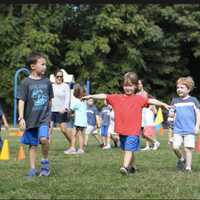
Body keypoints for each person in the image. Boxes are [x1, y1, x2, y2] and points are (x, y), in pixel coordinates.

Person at [82, 72, 170, 176]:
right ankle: (133, 166)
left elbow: (151, 100)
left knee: (128, 148)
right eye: (126, 85)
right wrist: (91, 96)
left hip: (133, 131)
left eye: (131, 85)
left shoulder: (139, 99)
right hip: (122, 130)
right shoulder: (117, 98)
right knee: (127, 149)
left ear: (135, 86)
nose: (128, 88)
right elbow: (104, 95)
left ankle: (124, 167)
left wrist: (163, 104)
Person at [18, 52, 54, 177]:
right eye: (42, 64)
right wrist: (21, 117)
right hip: (30, 119)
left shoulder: (47, 82)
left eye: (45, 64)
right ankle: (32, 169)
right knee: (33, 145)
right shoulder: (25, 83)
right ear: (33, 66)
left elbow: (50, 102)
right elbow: (21, 100)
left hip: (44, 119)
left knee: (43, 139)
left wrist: (50, 120)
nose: (45, 66)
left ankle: (45, 163)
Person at [170, 76, 200, 172]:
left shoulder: (193, 100)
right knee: (175, 147)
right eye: (178, 87)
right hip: (177, 130)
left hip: (190, 129)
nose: (179, 89)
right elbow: (171, 116)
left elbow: (198, 113)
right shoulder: (174, 101)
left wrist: (197, 126)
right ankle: (182, 159)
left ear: (189, 89)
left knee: (188, 148)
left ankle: (188, 168)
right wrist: (170, 132)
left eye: (182, 87)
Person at [49, 69, 72, 148]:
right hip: (51, 110)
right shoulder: (51, 86)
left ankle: (72, 143)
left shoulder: (65, 86)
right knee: (49, 130)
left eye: (61, 76)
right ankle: (46, 149)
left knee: (63, 130)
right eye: (57, 76)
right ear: (54, 77)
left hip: (61, 111)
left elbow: (67, 98)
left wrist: (65, 108)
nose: (59, 78)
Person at [137, 80, 160, 150]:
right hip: (141, 113)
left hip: (147, 113)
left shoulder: (145, 93)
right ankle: (148, 146)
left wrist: (152, 108)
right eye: (137, 84)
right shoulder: (137, 94)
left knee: (147, 131)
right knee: (143, 133)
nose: (138, 85)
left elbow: (150, 104)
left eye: (140, 84)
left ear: (143, 85)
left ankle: (155, 142)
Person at [64, 84, 87, 154]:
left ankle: (75, 148)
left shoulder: (76, 101)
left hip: (78, 121)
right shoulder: (83, 101)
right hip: (83, 121)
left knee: (75, 135)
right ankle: (78, 149)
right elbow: (79, 110)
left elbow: (70, 110)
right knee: (78, 134)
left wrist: (65, 111)